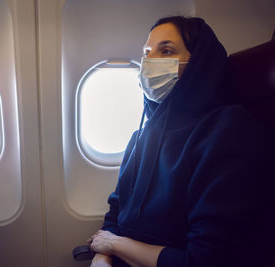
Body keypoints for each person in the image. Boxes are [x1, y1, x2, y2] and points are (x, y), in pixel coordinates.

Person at [88, 16, 274, 267]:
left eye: (166, 51)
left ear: (199, 64)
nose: (149, 61)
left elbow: (204, 260)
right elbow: (116, 211)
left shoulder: (229, 131)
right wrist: (102, 257)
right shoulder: (141, 137)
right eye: (146, 53)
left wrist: (114, 244)